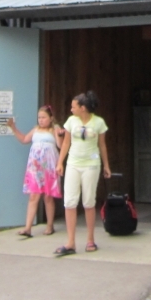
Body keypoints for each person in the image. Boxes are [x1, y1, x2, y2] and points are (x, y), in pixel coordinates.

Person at [54, 90, 111, 256]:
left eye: (73, 107)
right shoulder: (71, 121)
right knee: (69, 201)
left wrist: (106, 165)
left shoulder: (99, 122)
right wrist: (60, 163)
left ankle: (90, 239)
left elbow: (102, 145)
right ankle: (70, 242)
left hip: (91, 165)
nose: (71, 109)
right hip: (73, 164)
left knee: (88, 201)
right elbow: (66, 143)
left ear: (83, 108)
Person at [7, 105, 65, 237]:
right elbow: (24, 140)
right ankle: (28, 228)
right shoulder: (35, 130)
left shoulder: (54, 129)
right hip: (35, 167)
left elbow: (61, 146)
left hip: (49, 166)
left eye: (44, 117)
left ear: (51, 118)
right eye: (39, 117)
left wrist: (60, 135)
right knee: (33, 196)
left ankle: (50, 225)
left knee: (48, 197)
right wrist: (13, 128)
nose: (41, 120)